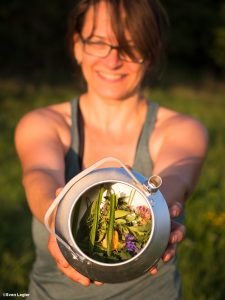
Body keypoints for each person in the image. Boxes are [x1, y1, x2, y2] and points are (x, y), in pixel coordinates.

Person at [15, 0, 208, 299]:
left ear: (152, 52)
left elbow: (174, 179)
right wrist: (58, 221)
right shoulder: (43, 124)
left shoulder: (183, 130)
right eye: (99, 42)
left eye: (130, 45)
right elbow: (38, 175)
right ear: (78, 46)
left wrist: (152, 219)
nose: (112, 60)